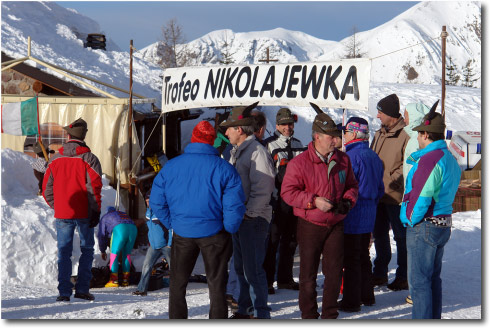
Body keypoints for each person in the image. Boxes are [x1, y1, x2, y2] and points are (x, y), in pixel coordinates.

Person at [150, 120, 246, 319]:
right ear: (212, 141)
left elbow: (157, 202)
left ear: (193, 139)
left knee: (177, 284)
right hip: (215, 233)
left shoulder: (171, 166)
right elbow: (234, 205)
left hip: (183, 232)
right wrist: (229, 228)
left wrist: (173, 223)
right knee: (217, 285)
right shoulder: (224, 168)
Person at [281, 104, 358, 319]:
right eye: (330, 137)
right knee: (308, 276)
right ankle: (309, 316)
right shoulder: (299, 163)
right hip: (309, 225)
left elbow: (352, 185)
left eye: (335, 136)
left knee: (334, 273)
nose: (335, 140)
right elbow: (287, 193)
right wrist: (313, 201)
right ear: (316, 137)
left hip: (335, 223)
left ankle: (330, 316)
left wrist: (347, 201)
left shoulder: (343, 160)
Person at [400, 103, 460, 319]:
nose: (417, 138)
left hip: (425, 225)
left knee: (419, 283)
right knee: (432, 279)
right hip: (442, 222)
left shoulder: (430, 159)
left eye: (419, 134)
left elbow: (420, 197)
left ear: (426, 134)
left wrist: (408, 219)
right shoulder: (449, 157)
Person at [220, 102, 275, 319]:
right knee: (242, 268)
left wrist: (248, 212)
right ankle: (245, 309)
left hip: (253, 219)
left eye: (229, 128)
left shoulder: (256, 152)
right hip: (242, 218)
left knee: (252, 271)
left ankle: (260, 313)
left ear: (240, 130)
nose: (226, 132)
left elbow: (264, 188)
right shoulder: (239, 151)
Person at [42, 118, 102, 302]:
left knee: (64, 252)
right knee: (87, 250)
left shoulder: (55, 159)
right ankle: (82, 289)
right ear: (84, 136)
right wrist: (95, 211)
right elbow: (95, 188)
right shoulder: (89, 159)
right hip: (84, 213)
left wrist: (57, 205)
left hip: (63, 213)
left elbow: (46, 189)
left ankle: (64, 292)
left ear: (68, 135)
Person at [337, 117, 384, 312]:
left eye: (346, 132)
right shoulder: (374, 156)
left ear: (354, 133)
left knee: (351, 258)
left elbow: (344, 186)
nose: (344, 136)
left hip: (353, 213)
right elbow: (381, 188)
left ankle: (351, 300)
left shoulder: (349, 157)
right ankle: (367, 295)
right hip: (370, 211)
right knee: (363, 255)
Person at [370, 94, 410, 291]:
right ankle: (380, 273)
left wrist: (392, 181)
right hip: (377, 195)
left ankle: (403, 275)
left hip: (395, 196)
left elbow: (407, 166)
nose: (377, 116)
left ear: (390, 115)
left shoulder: (405, 135)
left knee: (401, 237)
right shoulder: (378, 134)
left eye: (380, 112)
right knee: (379, 235)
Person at [263, 107, 305, 294]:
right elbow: (265, 175)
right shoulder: (268, 145)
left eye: (290, 123)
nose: (288, 127)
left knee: (291, 240)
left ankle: (285, 279)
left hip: (294, 200)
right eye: (284, 124)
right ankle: (267, 280)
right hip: (276, 200)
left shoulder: (298, 143)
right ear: (277, 125)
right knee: (272, 241)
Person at [401, 102, 430, 305]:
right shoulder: (413, 138)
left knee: (415, 250)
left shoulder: (416, 142)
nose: (404, 119)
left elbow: (416, 176)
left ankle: (416, 292)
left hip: (414, 201)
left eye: (407, 115)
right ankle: (419, 289)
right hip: (413, 198)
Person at [133, 190, 172, 296]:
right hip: (154, 246)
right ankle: (141, 290)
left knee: (174, 268)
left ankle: (177, 290)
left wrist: (170, 244)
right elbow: (150, 229)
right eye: (146, 200)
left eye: (150, 200)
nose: (148, 202)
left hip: (166, 245)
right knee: (146, 265)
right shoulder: (148, 212)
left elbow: (171, 228)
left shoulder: (162, 212)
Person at [97, 207, 138, 288]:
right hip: (133, 229)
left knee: (114, 254)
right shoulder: (122, 214)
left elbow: (102, 235)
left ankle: (113, 280)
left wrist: (102, 250)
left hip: (120, 229)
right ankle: (125, 280)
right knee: (127, 255)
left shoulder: (105, 217)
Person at [402, 102, 431, 189]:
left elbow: (413, 172)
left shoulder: (416, 140)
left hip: (413, 195)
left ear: (414, 117)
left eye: (406, 116)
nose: (404, 120)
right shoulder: (419, 137)